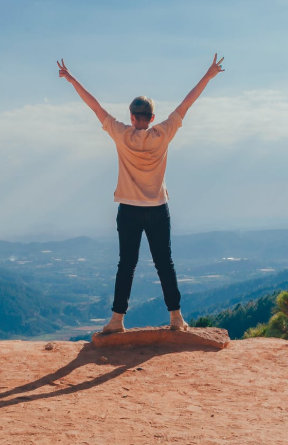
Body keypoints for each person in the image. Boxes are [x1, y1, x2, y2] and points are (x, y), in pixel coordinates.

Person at [56, 54, 226, 333]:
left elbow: (95, 107)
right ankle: (176, 318)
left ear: (132, 117)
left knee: (127, 265)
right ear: (153, 118)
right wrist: (208, 75)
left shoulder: (121, 134)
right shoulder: (164, 133)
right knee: (164, 264)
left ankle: (116, 320)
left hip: (129, 209)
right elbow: (187, 103)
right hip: (158, 208)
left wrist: (72, 79)